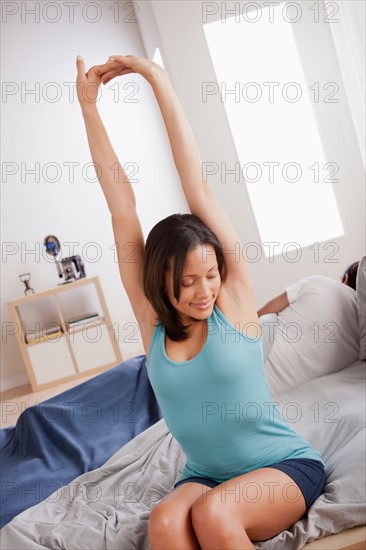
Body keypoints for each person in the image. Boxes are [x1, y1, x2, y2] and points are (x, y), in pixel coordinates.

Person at [76, 54, 326, 550]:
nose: (204, 290)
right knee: (166, 523)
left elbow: (198, 185)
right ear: (160, 283)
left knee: (214, 515)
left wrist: (159, 81)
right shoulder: (151, 319)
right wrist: (88, 108)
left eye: (210, 274)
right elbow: (121, 206)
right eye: (187, 282)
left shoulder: (232, 301)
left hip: (282, 468)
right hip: (205, 475)